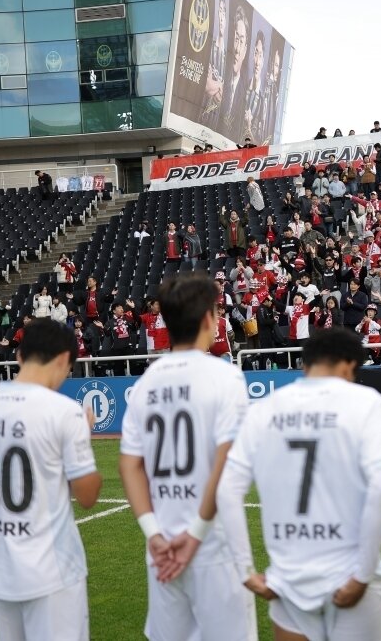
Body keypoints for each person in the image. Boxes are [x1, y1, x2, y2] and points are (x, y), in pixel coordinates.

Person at [195, 328, 381, 641]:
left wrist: (246, 571)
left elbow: (227, 490)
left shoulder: (264, 409)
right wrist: (363, 575)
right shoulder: (368, 403)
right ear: (349, 366)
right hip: (349, 574)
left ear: (305, 363)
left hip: (288, 581)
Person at [118, 272, 257, 640]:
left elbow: (130, 464)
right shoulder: (225, 377)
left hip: (162, 546)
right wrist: (195, 534)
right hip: (213, 544)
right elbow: (226, 464)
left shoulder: (145, 383)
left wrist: (153, 533)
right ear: (209, 319)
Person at [0, 319, 101, 640]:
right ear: (63, 360)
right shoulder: (64, 412)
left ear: (19, 356)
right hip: (53, 571)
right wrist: (83, 437)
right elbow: (87, 495)